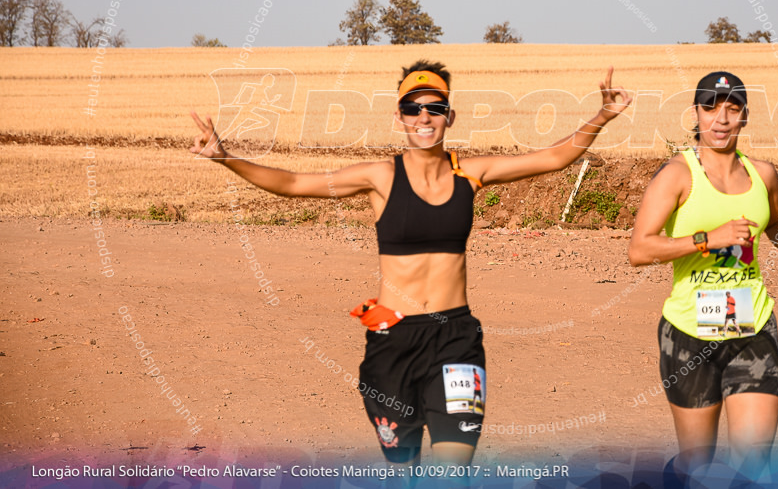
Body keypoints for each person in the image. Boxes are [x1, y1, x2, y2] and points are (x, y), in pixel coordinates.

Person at [189, 60, 631, 466]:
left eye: (435, 107)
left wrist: (602, 116)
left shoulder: (470, 173)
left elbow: (553, 157)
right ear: (398, 116)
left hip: (455, 340)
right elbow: (291, 183)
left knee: (453, 472)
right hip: (392, 345)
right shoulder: (380, 177)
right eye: (413, 108)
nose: (424, 117)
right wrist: (226, 157)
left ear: (450, 116)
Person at [627, 71, 778, 485]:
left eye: (732, 108)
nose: (721, 119)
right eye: (710, 108)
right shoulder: (676, 174)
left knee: (752, 466)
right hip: (689, 333)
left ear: (745, 116)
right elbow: (640, 250)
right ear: (695, 114)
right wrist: (709, 238)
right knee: (698, 468)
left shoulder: (763, 174)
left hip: (752, 327)